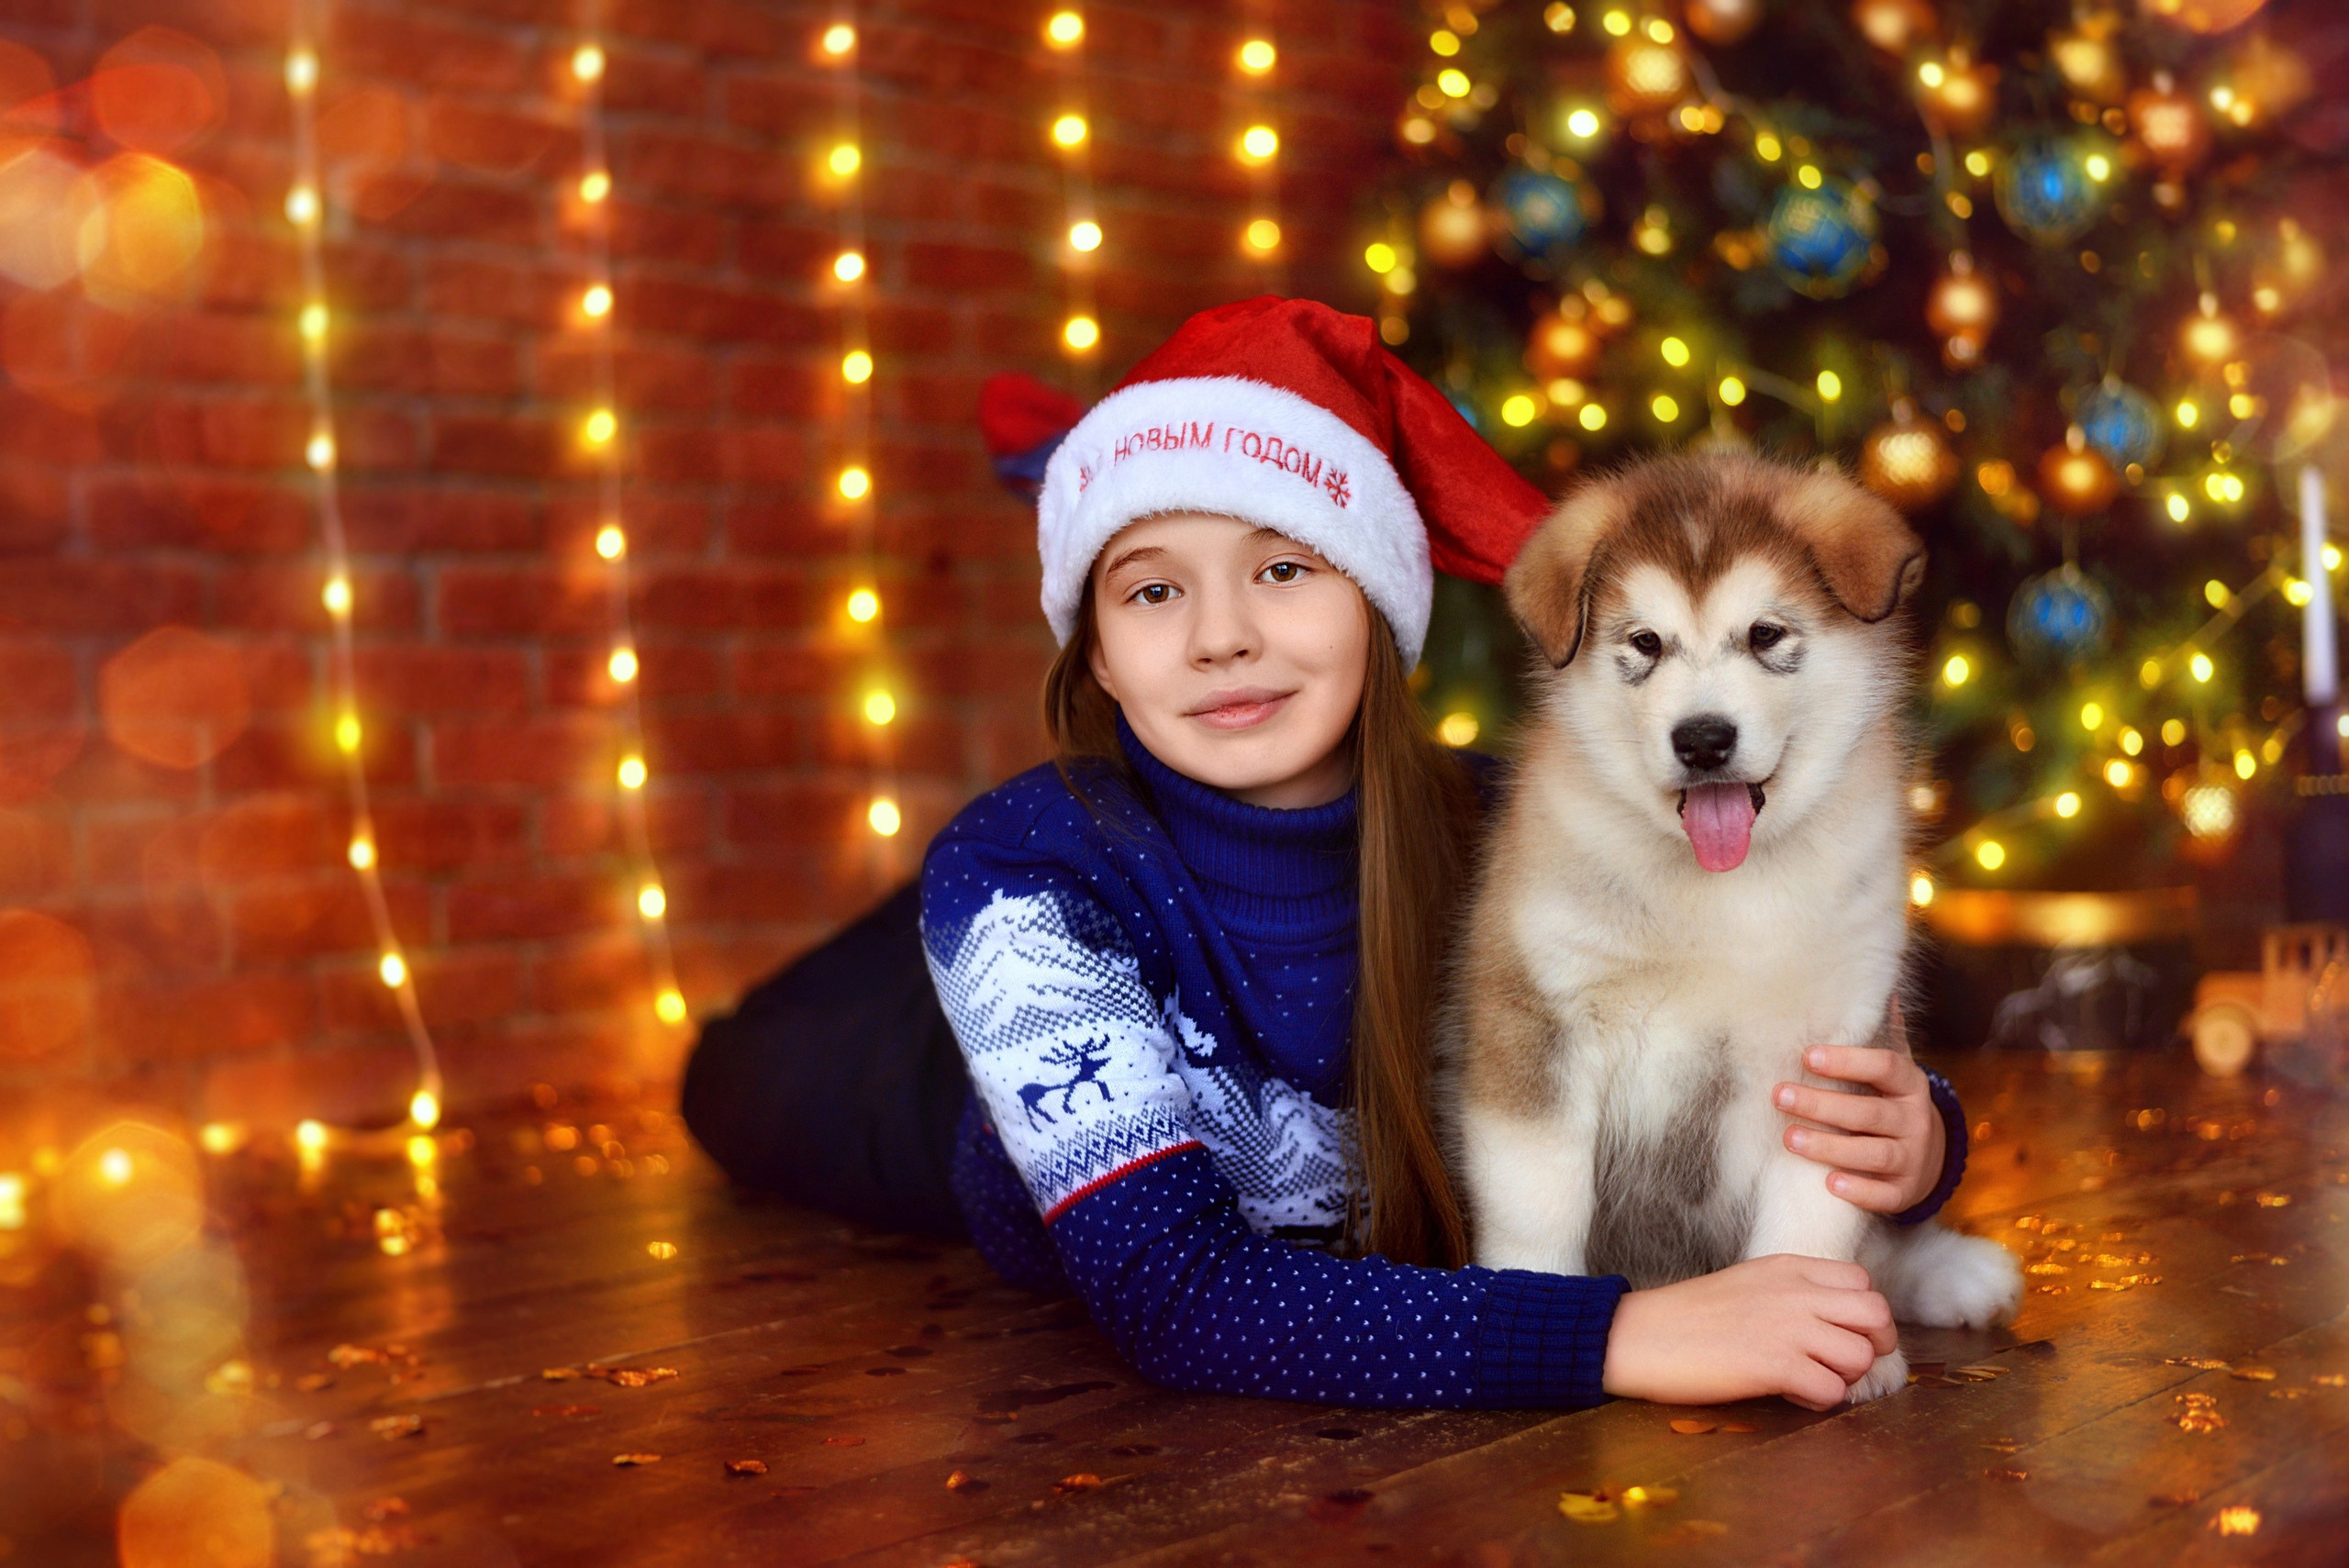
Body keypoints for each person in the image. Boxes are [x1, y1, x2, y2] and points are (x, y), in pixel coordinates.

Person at [686, 297, 1968, 1412]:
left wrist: (1921, 1146)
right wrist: (1615, 1337)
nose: (1222, 637)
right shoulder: (1026, 880)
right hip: (952, 1059)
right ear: (1098, 651)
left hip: (1159, 920)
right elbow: (1174, 1297)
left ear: (1377, 600)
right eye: (1153, 590)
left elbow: (1767, 1000)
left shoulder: (1508, 821)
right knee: (737, 1075)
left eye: (1286, 568)